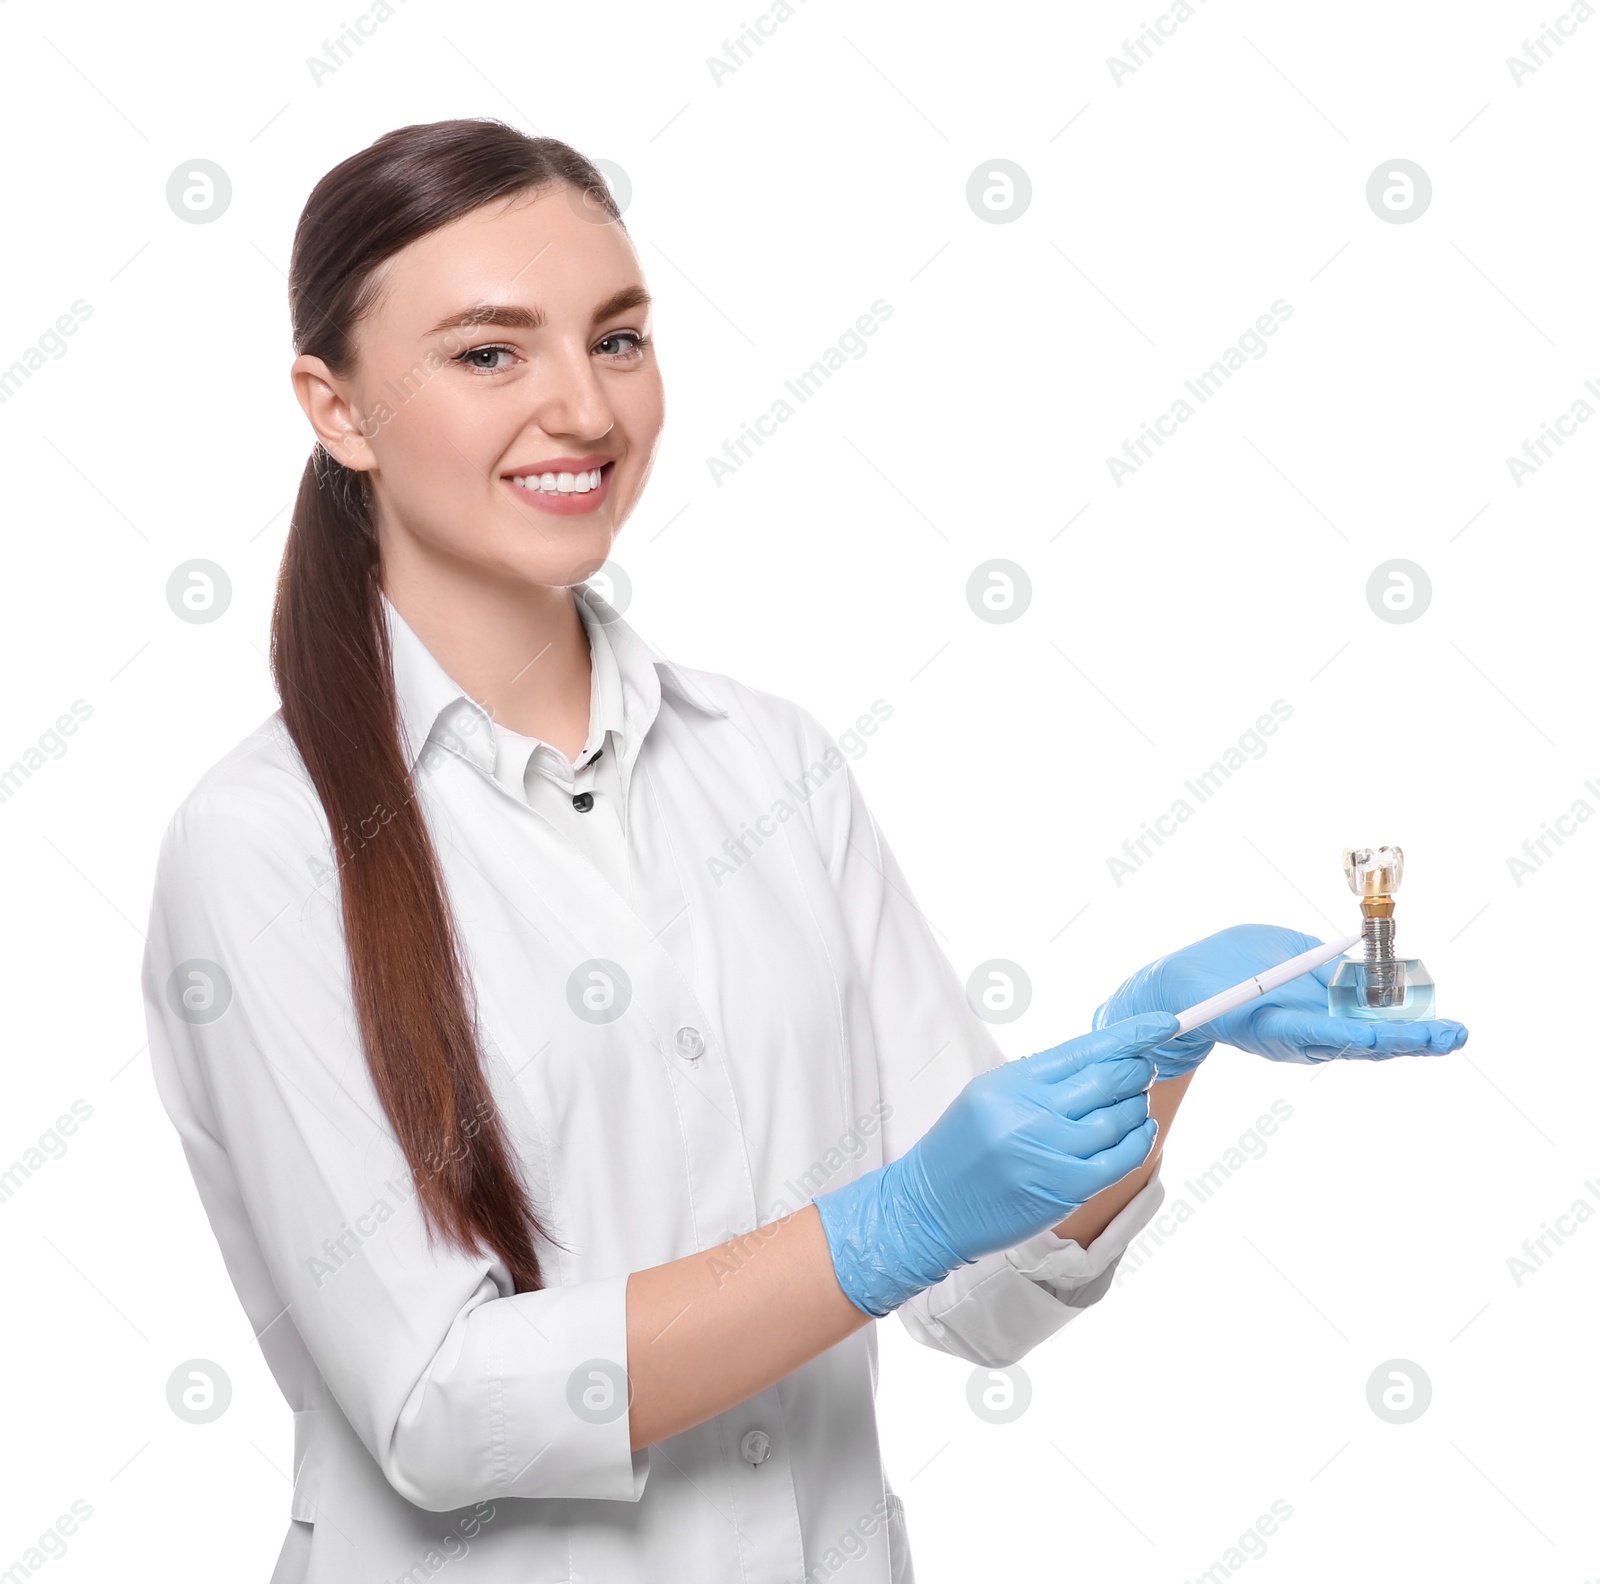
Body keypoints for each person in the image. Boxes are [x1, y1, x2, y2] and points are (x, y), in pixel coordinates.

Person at [140, 119, 1468, 1584]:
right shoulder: (261, 848)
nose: (582, 408)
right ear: (338, 409)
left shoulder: (765, 764)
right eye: (488, 354)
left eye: (621, 337)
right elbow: (441, 1412)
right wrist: (880, 1225)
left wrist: (1154, 1057)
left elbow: (986, 1288)